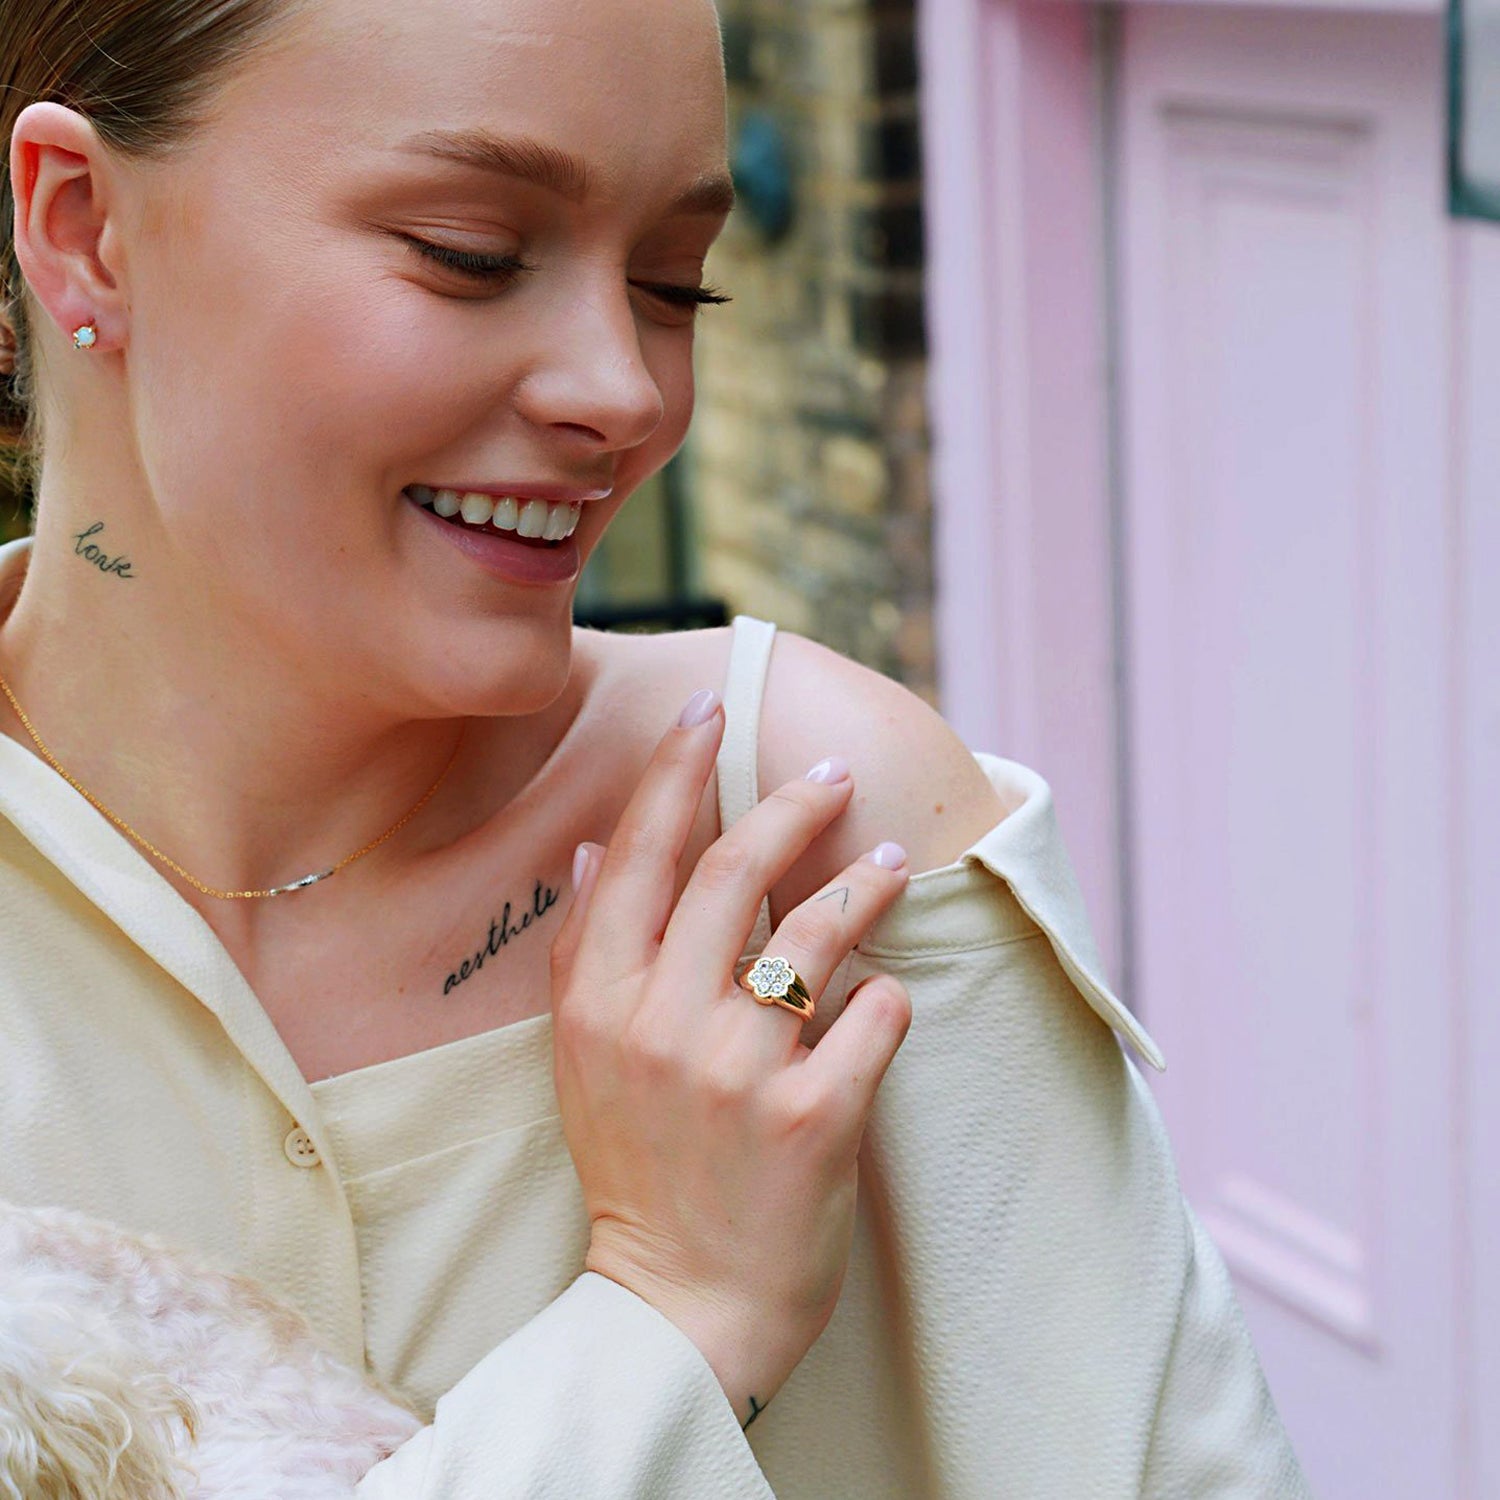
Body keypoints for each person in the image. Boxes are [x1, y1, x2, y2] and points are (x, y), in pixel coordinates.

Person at [0, 0, 1310, 1493]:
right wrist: (673, 1314)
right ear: (87, 225)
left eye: (677, 285)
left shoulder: (812, 832)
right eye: (471, 253)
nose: (625, 392)